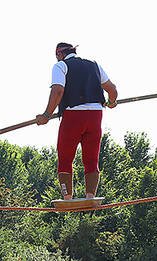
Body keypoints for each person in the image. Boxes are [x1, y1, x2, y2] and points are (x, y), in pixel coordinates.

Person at [35, 42, 118, 200]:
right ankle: (90, 197)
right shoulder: (94, 65)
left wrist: (46, 115)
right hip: (95, 116)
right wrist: (112, 102)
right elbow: (112, 89)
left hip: (73, 116)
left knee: (65, 158)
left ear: (60, 54)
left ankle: (67, 198)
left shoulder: (61, 66)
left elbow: (58, 91)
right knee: (91, 160)